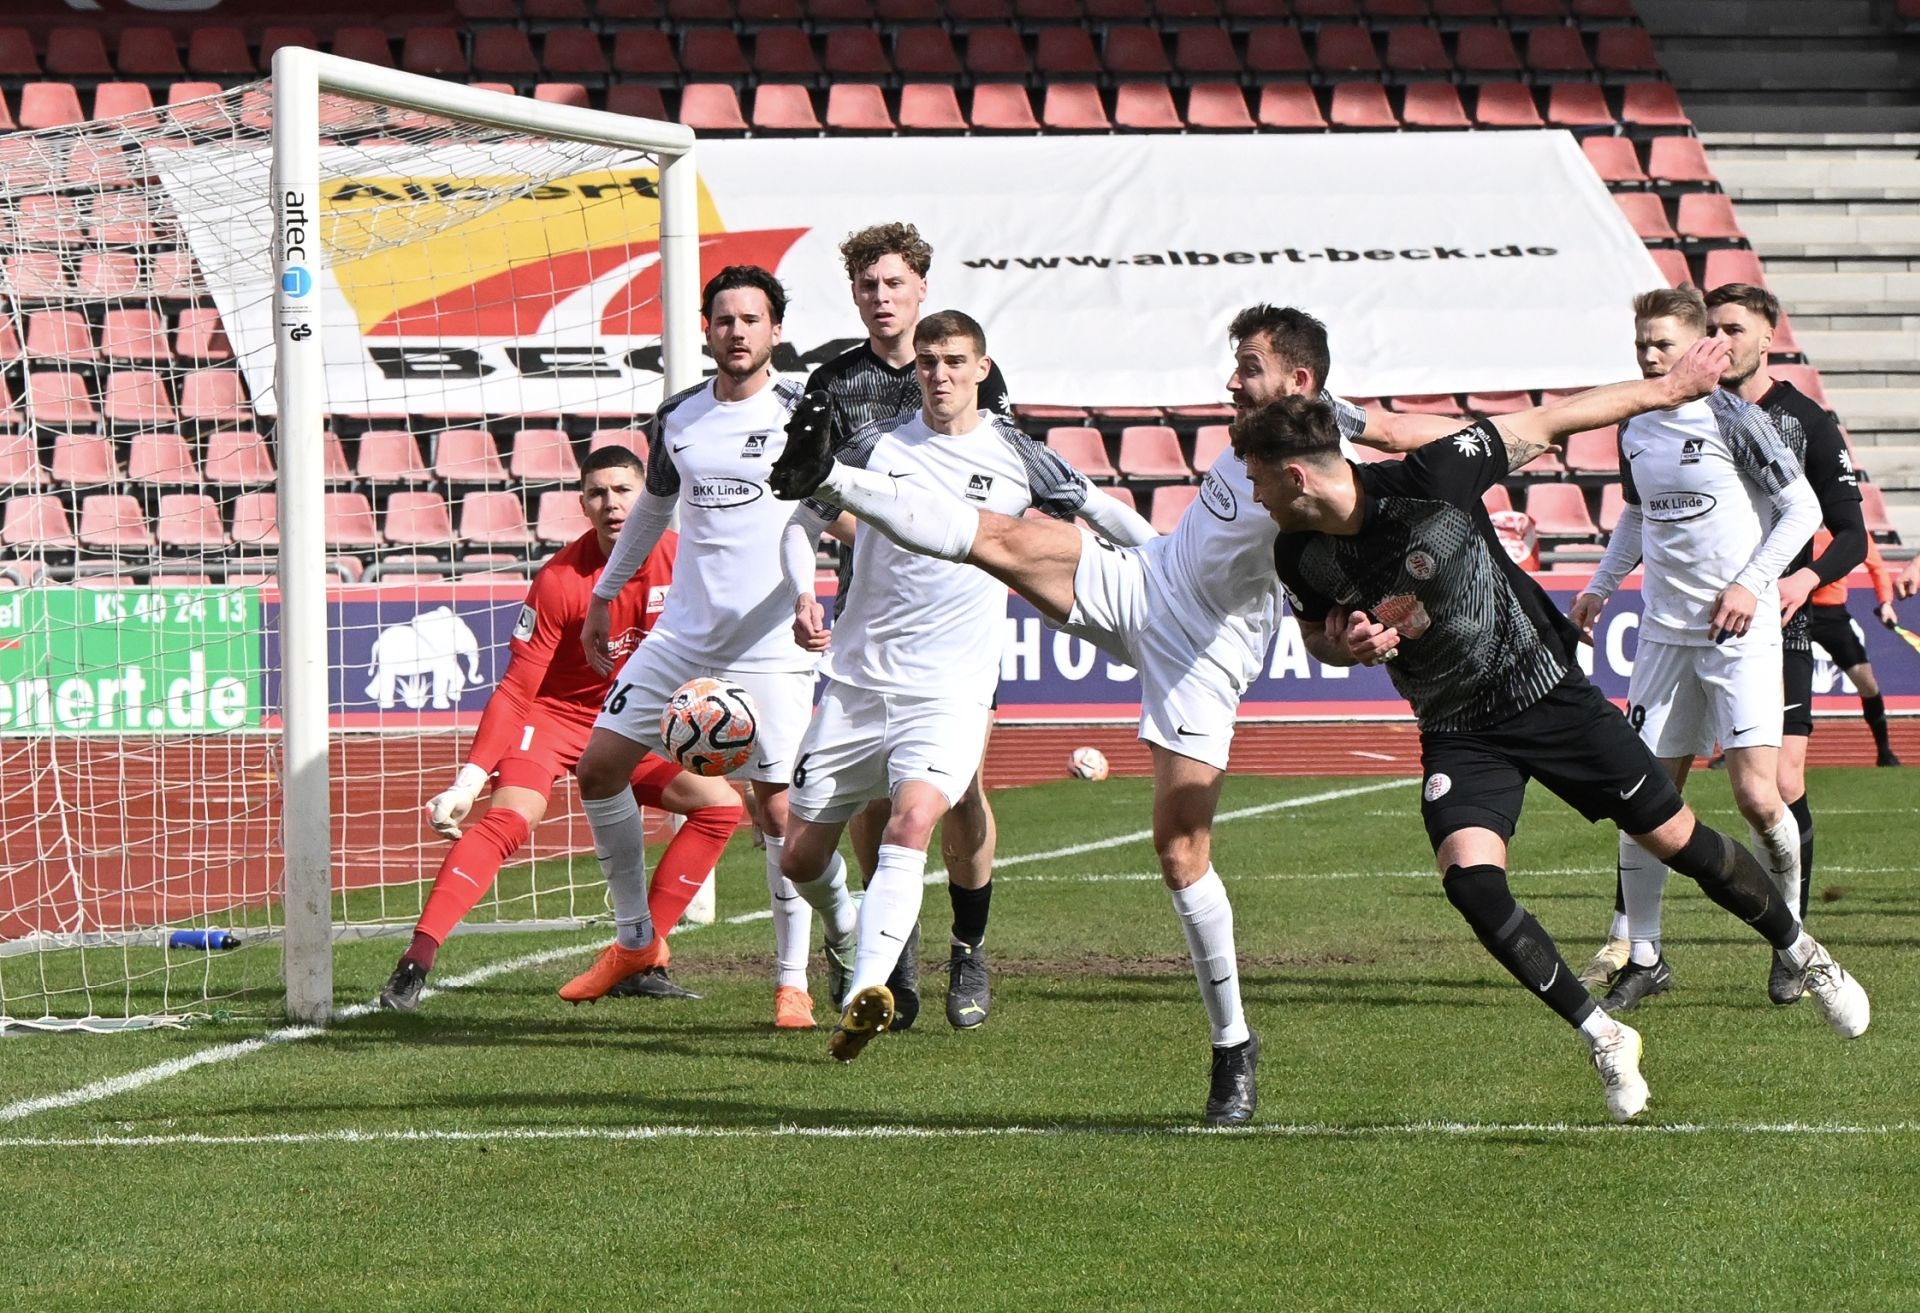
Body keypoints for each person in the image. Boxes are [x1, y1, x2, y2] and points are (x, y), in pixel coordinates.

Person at [768, 304, 1441, 1125]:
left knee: (1173, 852)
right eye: (1236, 364)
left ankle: (1230, 1045)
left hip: (1194, 656)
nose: (1232, 380)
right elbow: (1418, 428)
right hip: (1117, 592)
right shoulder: (1278, 424)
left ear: (1298, 381)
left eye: (1249, 366)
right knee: (1009, 543)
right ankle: (825, 476)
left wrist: (1355, 635)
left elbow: (1324, 618)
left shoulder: (1323, 490)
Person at [1239, 350, 1869, 1124]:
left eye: (1257, 478)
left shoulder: (1433, 477)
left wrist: (1670, 388)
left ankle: (1806, 953)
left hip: (1545, 694)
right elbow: (1318, 637)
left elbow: (1550, 419)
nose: (1254, 495)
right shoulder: (1295, 551)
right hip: (1455, 727)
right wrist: (1349, 643)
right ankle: (1605, 1034)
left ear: (1296, 475)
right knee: (1471, 880)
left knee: (1679, 838)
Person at [774, 310, 1154, 1063]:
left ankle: (870, 993)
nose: (939, 374)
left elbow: (1107, 513)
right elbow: (799, 521)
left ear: (982, 368)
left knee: (913, 821)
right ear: (913, 369)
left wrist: (1180, 570)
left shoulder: (1019, 455)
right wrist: (803, 592)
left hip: (952, 684)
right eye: (926, 362)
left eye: (954, 361)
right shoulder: (875, 446)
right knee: (799, 856)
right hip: (856, 677)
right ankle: (848, 934)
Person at [566, 265, 859, 1030]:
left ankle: (792, 980)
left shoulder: (804, 411)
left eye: (751, 319)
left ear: (775, 330)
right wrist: (604, 594)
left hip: (771, 643)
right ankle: (635, 941)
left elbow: (829, 515)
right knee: (599, 770)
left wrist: (817, 596)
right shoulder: (678, 416)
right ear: (707, 328)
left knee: (780, 812)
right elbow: (652, 511)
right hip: (683, 636)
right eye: (724, 319)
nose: (736, 331)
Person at [377, 447, 740, 1011]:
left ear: (649, 496)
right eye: (598, 493)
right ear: (583, 504)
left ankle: (641, 953)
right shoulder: (559, 579)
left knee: (720, 807)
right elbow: (517, 689)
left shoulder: (686, 561)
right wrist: (468, 780)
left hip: (631, 722)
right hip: (554, 720)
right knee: (509, 820)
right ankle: (414, 963)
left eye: (624, 490)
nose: (612, 503)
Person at [1568, 287, 1822, 1015]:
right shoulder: (1636, 423)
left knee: (1756, 794)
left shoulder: (1733, 417)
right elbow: (1638, 514)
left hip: (1740, 632)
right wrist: (1600, 585)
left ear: (1698, 345)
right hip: (1663, 635)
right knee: (1642, 796)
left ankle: (1790, 940)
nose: (1650, 355)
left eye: (1663, 344)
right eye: (1643, 343)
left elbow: (1802, 508)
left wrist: (1749, 584)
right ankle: (1644, 953)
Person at [803, 222, 1014, 1031]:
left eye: (895, 283)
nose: (882, 298)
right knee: (866, 802)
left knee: (958, 791)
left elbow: (1002, 483)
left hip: (956, 624)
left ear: (922, 286)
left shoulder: (972, 374)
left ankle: (970, 945)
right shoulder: (834, 384)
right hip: (870, 622)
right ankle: (894, 952)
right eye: (869, 285)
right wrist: (872, 528)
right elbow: (814, 494)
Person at [1806, 532, 1901, 768]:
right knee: (1770, 687)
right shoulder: (1794, 518)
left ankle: (1885, 752)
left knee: (1867, 684)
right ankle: (1736, 751)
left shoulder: (1845, 523)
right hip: (1794, 612)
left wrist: (1886, 603)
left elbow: (1876, 567)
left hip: (1833, 616)